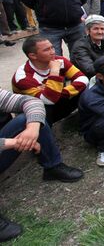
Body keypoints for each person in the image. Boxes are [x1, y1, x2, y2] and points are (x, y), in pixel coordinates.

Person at [0, 88, 84, 241]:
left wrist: (32, 128)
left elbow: (31, 101)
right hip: (6, 144)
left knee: (32, 118)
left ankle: (52, 166)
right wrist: (11, 142)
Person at [12, 36, 89, 124]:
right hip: (33, 115)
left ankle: (84, 122)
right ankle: (45, 134)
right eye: (46, 50)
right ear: (33, 56)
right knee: (42, 105)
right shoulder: (23, 77)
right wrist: (54, 71)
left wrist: (58, 92)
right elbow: (49, 100)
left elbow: (83, 79)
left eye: (52, 47)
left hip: (57, 101)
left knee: (87, 89)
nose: (53, 52)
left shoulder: (60, 60)